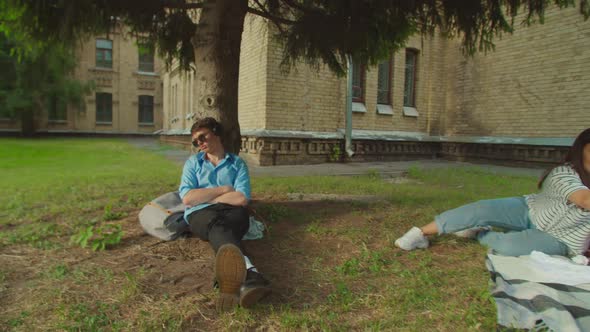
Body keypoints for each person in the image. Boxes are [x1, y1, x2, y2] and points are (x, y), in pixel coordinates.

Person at [395, 128, 590, 257]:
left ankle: (480, 233)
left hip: (563, 239)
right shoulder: (564, 172)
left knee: (508, 246)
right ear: (582, 149)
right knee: (480, 209)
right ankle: (421, 233)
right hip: (530, 210)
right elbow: (583, 199)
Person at [178, 117, 270, 312]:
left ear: (216, 133)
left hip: (233, 211)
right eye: (195, 141)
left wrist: (206, 197)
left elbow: (241, 199)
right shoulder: (193, 163)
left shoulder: (237, 164)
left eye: (202, 137)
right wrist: (224, 189)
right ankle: (250, 275)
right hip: (200, 214)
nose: (199, 143)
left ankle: (228, 278)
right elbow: (187, 198)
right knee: (218, 227)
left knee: (223, 229)